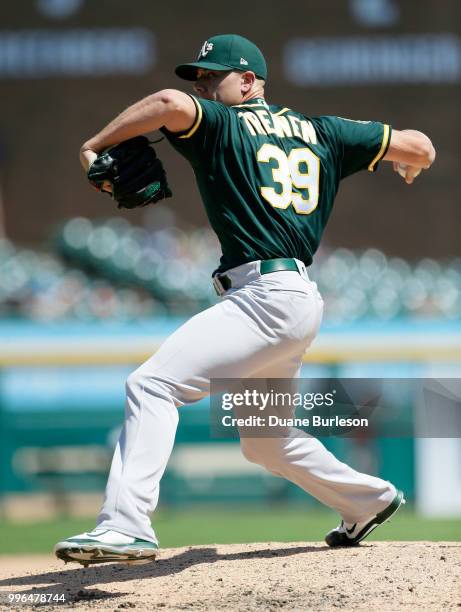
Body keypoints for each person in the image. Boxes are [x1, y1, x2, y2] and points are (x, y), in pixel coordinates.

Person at [54, 34, 435, 565]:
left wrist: (92, 145)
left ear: (250, 81)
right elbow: (420, 145)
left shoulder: (220, 124)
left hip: (263, 297)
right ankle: (368, 498)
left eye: (214, 76)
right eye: (201, 79)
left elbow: (166, 104)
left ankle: (125, 526)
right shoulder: (323, 131)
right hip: (296, 299)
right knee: (264, 440)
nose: (205, 86)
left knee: (152, 383)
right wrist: (409, 161)